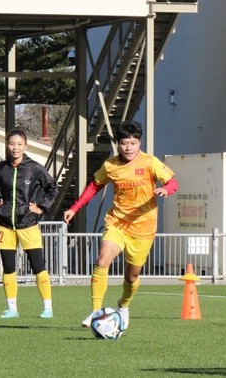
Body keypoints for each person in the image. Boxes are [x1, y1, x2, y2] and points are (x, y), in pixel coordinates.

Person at [63, 121, 178, 330]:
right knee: (102, 259)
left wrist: (166, 190)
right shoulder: (111, 166)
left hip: (143, 228)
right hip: (117, 223)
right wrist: (74, 208)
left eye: (133, 143)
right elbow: (94, 186)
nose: (129, 147)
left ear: (139, 143)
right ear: (118, 144)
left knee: (131, 275)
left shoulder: (150, 162)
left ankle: (124, 305)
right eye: (125, 143)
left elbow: (172, 182)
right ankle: (96, 311)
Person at [0, 128, 59, 318]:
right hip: (5, 225)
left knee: (38, 266)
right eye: (12, 144)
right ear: (7, 145)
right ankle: (12, 309)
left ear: (25, 145)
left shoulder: (35, 168)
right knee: (9, 267)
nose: (15, 148)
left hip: (28, 224)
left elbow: (52, 188)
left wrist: (41, 207)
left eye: (19, 144)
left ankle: (48, 307)